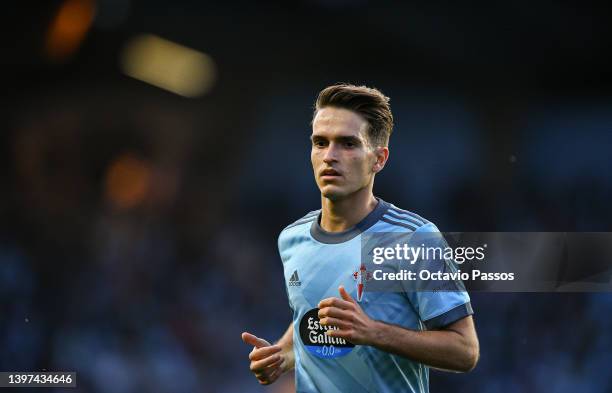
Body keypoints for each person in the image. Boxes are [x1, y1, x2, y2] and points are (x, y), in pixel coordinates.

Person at [241, 83, 479, 392]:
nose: (330, 156)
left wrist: (373, 332)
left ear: (379, 159)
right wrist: (283, 354)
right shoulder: (293, 238)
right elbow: (311, 315)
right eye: (320, 142)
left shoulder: (413, 239)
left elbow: (465, 351)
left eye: (347, 144)